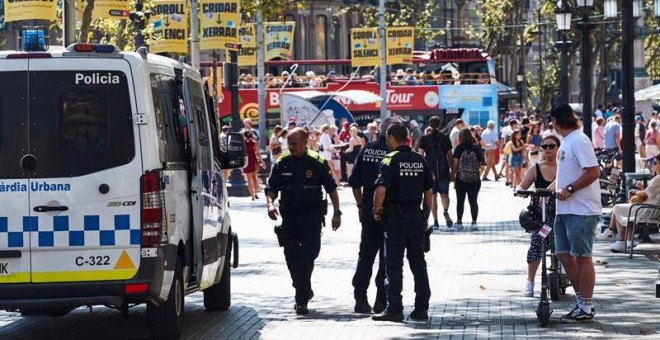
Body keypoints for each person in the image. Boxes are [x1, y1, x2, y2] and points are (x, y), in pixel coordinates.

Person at [265, 128, 342, 316]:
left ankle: (302, 294)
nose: (291, 148)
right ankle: (302, 291)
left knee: (309, 255)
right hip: (290, 218)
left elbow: (331, 188)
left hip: (312, 219)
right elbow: (271, 188)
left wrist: (337, 212)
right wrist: (269, 205)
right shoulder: (282, 162)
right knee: (292, 257)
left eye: (294, 144)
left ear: (305, 142)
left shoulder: (317, 162)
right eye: (289, 144)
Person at [371, 123, 433, 322]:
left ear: (390, 138)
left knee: (394, 265)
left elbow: (381, 190)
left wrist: (376, 209)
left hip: (395, 219)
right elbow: (429, 194)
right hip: (415, 217)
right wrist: (424, 217)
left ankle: (394, 309)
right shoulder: (419, 159)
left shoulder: (389, 160)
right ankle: (422, 308)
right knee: (418, 263)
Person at [550, 103, 601, 323]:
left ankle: (586, 305)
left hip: (581, 210)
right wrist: (551, 188)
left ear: (556, 121)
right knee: (563, 253)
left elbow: (593, 171)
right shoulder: (567, 142)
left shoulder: (579, 141)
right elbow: (565, 174)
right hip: (564, 209)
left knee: (582, 257)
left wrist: (570, 189)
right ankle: (580, 301)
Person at [348, 117, 401, 315]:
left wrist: (361, 203)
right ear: (392, 135)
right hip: (389, 209)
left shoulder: (367, 149)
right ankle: (381, 300)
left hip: (369, 205)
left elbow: (354, 181)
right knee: (386, 256)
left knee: (366, 255)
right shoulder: (395, 153)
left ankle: (360, 298)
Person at [516, 135, 560, 297]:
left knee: (564, 244)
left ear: (558, 148)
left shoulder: (564, 167)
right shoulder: (536, 168)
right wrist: (520, 191)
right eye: (545, 146)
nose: (547, 149)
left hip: (560, 214)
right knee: (537, 244)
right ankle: (530, 281)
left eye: (551, 146)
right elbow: (522, 185)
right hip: (541, 217)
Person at [607, 154, 660, 252]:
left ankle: (619, 239)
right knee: (625, 208)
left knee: (618, 208)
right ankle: (626, 240)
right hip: (650, 207)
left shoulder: (658, 178)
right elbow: (649, 193)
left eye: (655, 163)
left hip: (649, 209)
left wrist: (634, 191)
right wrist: (641, 189)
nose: (652, 165)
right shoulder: (657, 178)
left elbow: (645, 194)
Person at [418, 116, 454, 229]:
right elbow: (450, 156)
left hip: (430, 170)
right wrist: (453, 171)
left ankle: (436, 221)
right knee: (444, 195)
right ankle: (446, 210)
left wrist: (423, 171)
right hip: (443, 170)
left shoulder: (424, 139)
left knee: (432, 197)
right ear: (439, 125)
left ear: (429, 124)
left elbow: (421, 156)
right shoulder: (445, 138)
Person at [451, 129, 485, 231]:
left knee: (460, 201)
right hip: (474, 179)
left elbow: (455, 163)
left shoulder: (459, 148)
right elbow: (481, 165)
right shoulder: (476, 148)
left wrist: (453, 174)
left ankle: (459, 222)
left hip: (461, 178)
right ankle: (474, 223)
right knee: (473, 201)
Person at [243, 131, 265, 200]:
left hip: (246, 161)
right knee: (254, 177)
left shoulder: (243, 143)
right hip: (253, 160)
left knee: (249, 179)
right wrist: (262, 162)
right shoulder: (254, 143)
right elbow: (258, 153)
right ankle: (255, 193)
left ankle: (252, 195)